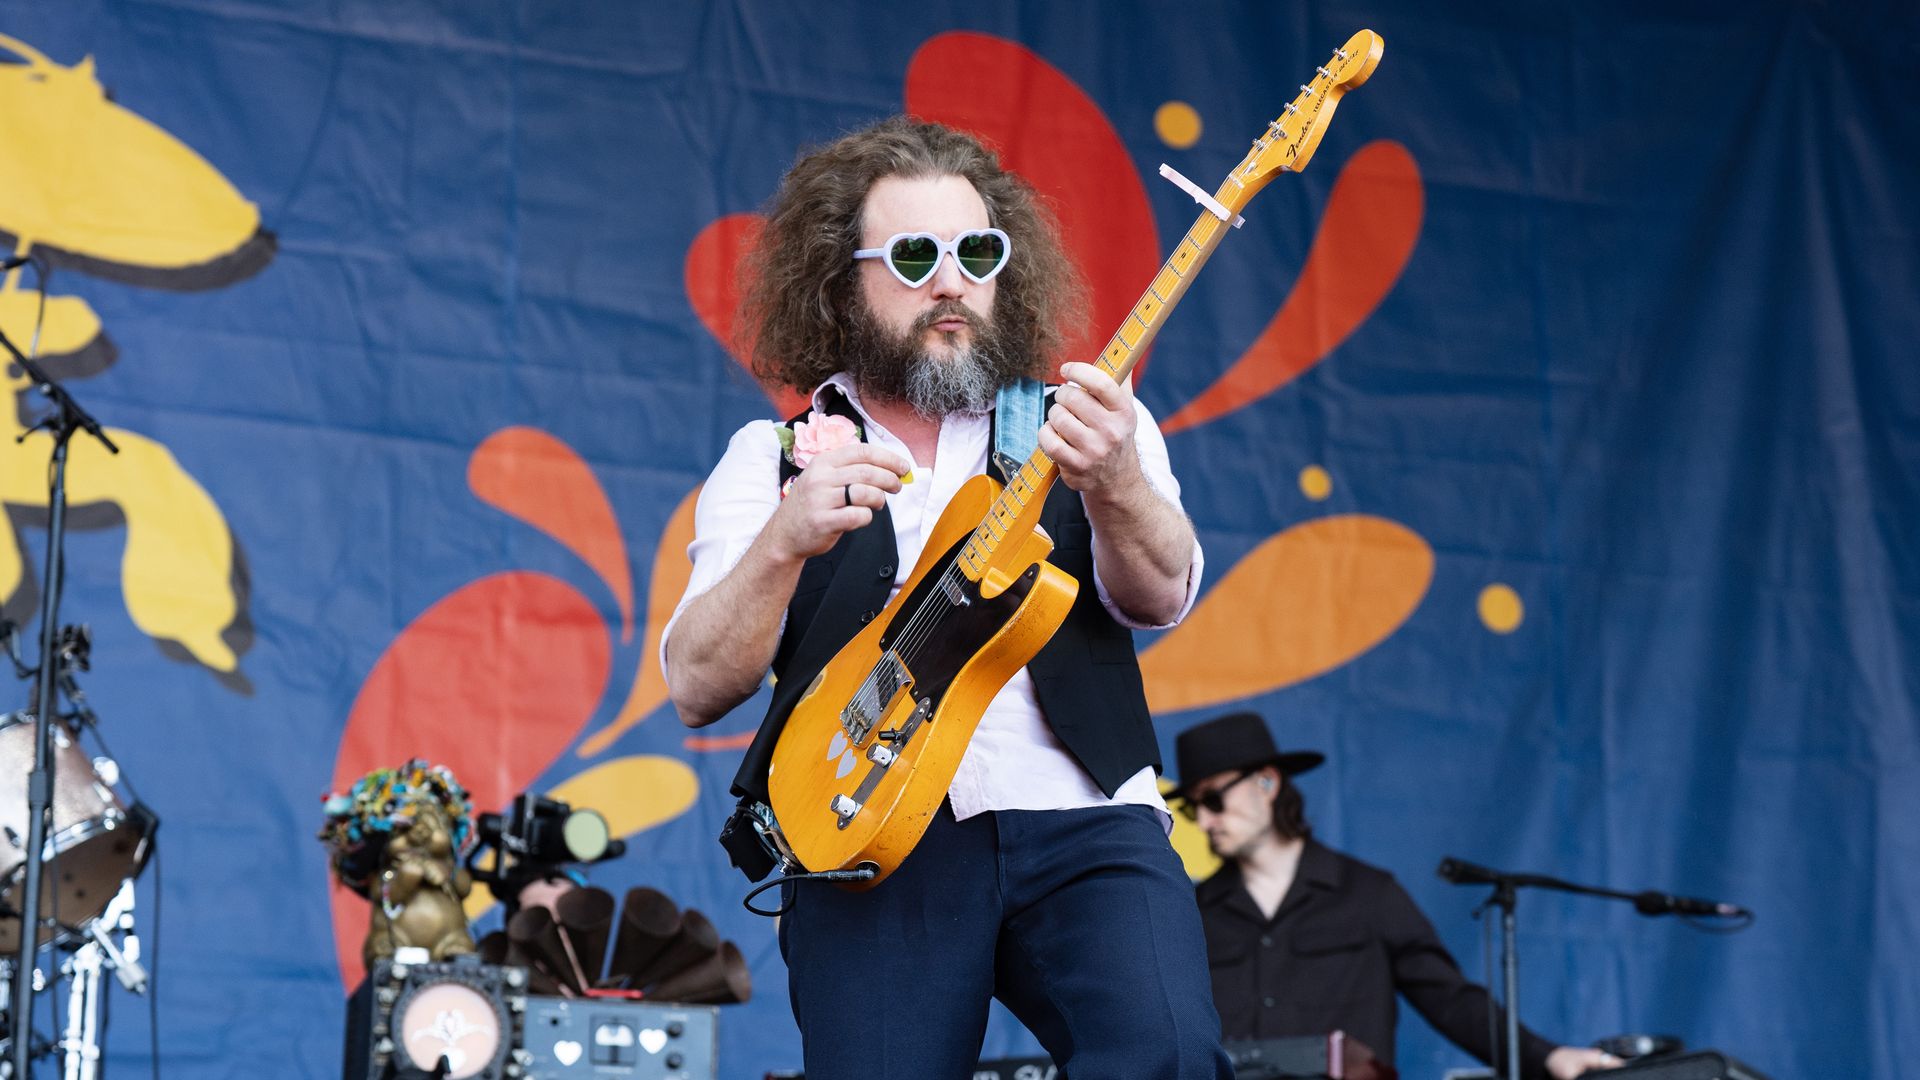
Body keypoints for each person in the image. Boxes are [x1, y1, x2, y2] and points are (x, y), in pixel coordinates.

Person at [663, 117, 1229, 1079]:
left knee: (1168, 1054)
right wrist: (784, 542)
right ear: (843, 280)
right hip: (871, 836)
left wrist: (1121, 481)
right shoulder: (772, 458)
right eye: (916, 255)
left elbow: (1159, 596)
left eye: (978, 251)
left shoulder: (1083, 426)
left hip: (1081, 815)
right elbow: (697, 684)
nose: (951, 280)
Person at [1171, 712, 1623, 1079]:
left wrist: (1547, 1057)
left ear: (1267, 784)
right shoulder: (1190, 911)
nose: (1205, 822)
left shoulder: (1369, 894)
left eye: (1213, 800)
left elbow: (1450, 998)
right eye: (1193, 809)